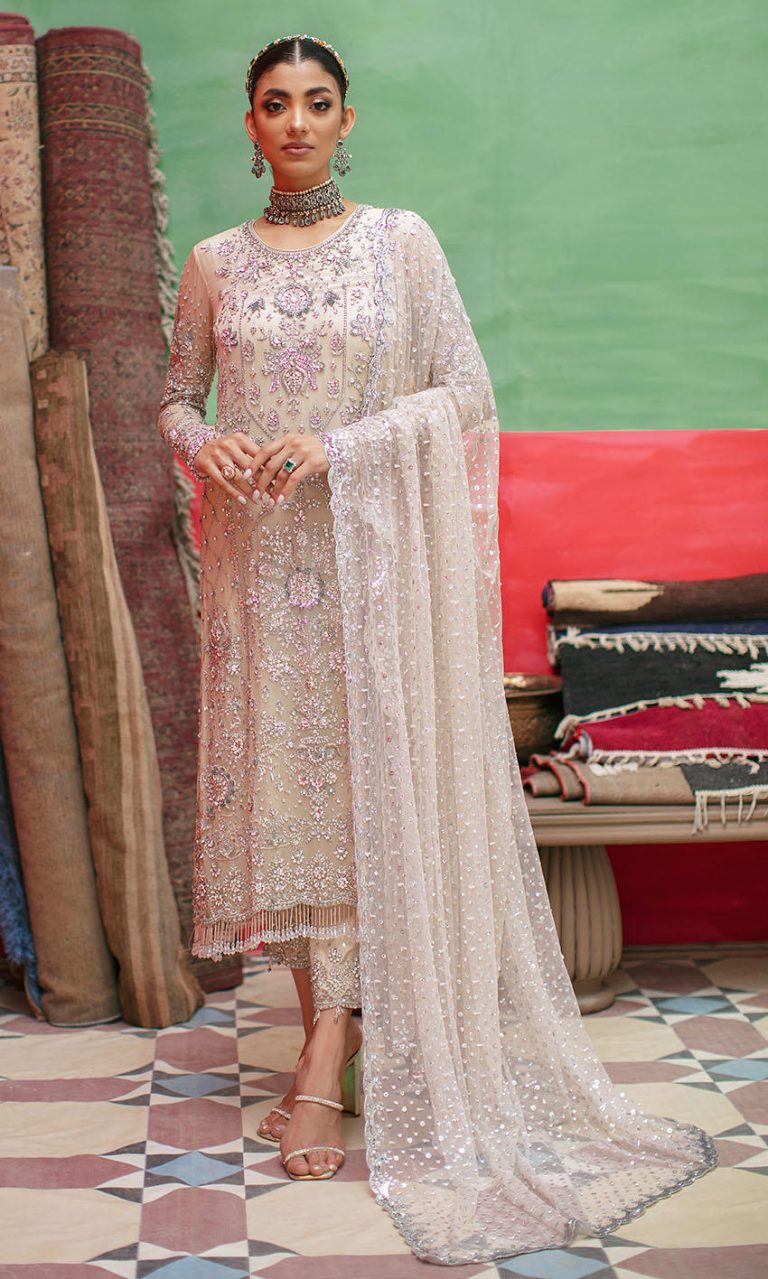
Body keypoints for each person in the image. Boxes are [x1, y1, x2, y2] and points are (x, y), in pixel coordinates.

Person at [158, 33, 718, 1266]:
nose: (295, 122)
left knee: (378, 794)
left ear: (346, 120)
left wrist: (337, 448)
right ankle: (332, 1028)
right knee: (297, 802)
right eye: (273, 104)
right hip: (263, 573)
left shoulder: (400, 244)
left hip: (374, 571)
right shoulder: (212, 263)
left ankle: (324, 1054)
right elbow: (175, 396)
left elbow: (464, 392)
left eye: (316, 103)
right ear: (248, 125)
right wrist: (211, 446)